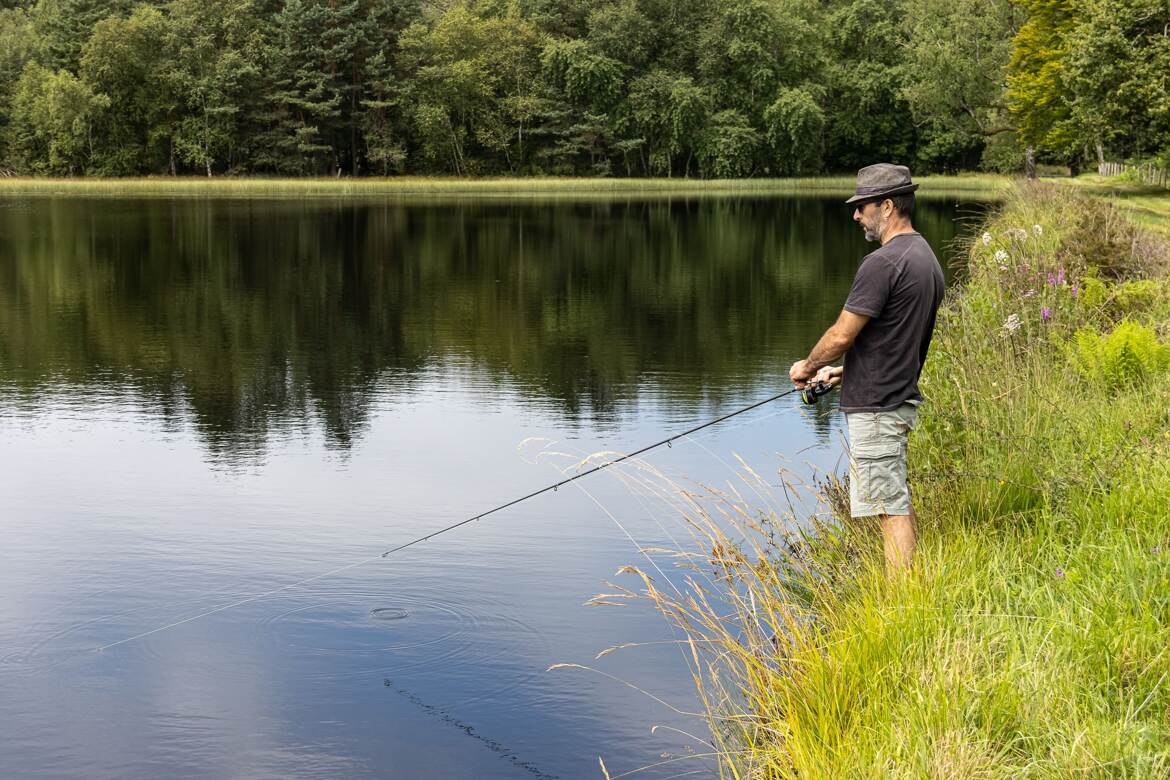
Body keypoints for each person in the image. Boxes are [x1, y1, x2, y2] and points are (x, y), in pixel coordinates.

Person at [789, 163, 944, 573]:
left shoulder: (882, 263)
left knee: (888, 509)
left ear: (888, 206)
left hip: (878, 408)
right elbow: (896, 340)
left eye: (864, 206)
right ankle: (908, 593)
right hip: (894, 398)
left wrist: (808, 366)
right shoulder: (924, 255)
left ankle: (902, 602)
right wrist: (843, 373)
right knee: (894, 498)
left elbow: (842, 336)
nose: (856, 214)